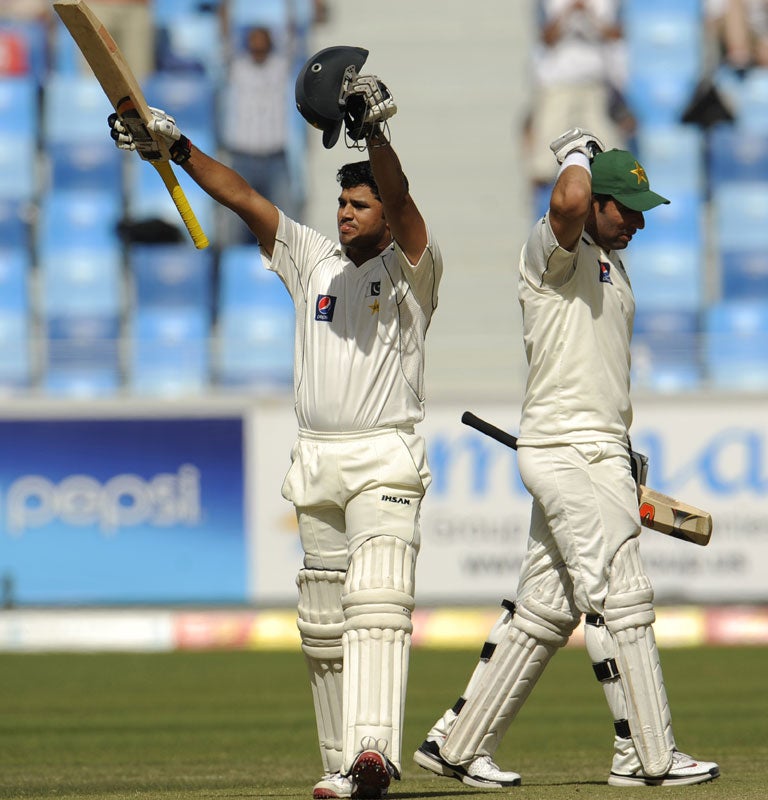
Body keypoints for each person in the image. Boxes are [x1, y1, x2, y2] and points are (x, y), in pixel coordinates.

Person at [109, 46, 442, 800]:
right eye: (342, 205)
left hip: (385, 456)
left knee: (378, 602)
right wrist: (178, 146)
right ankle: (340, 767)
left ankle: (373, 756)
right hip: (317, 457)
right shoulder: (312, 260)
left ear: (385, 217)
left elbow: (405, 196)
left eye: (359, 206)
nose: (345, 213)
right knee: (323, 625)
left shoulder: (414, 269)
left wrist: (373, 137)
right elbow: (246, 199)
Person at [413, 127, 720, 788]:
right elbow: (569, 203)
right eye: (627, 208)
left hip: (594, 448)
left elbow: (600, 373)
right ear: (596, 202)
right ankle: (650, 757)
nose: (638, 221)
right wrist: (577, 153)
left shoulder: (613, 265)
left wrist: (620, 447)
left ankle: (458, 747)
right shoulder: (552, 253)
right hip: (569, 451)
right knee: (623, 592)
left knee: (546, 612)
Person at [524, 1, 636, 212]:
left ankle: (608, 220)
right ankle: (542, 220)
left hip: (596, 84)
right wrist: (568, 13)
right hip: (556, 85)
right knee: (542, 165)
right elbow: (545, 37)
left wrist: (589, 16)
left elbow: (616, 34)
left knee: (611, 158)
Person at [219, 25, 300, 242]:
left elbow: (293, 37)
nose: (258, 51)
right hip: (242, 158)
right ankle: (226, 270)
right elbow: (224, 36)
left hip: (275, 159)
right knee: (232, 226)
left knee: (288, 225)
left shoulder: (280, 68)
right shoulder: (237, 68)